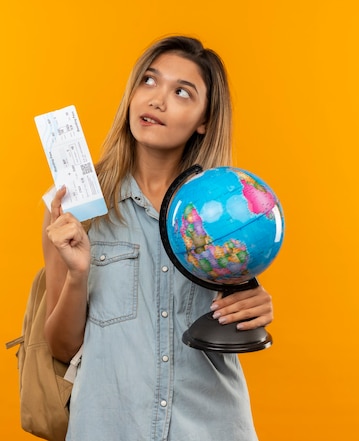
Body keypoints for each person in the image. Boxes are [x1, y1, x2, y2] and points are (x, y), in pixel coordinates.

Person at [42, 35, 274, 441]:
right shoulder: (75, 206)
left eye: (182, 92)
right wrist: (78, 275)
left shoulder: (223, 210)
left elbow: (235, 304)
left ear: (204, 119)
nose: (157, 100)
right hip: (108, 427)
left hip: (212, 426)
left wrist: (254, 303)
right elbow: (61, 348)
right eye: (149, 81)